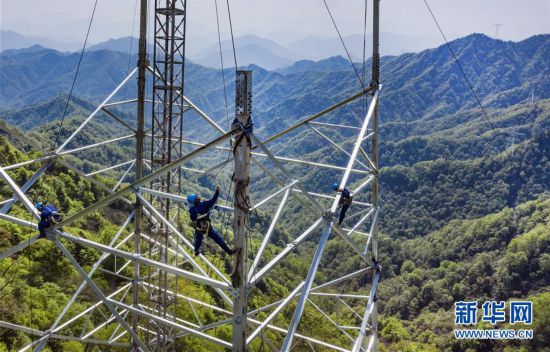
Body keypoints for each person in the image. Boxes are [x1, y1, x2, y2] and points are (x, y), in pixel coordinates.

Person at [187, 185, 236, 256]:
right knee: (217, 238)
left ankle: (196, 250)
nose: (198, 197)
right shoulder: (204, 204)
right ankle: (228, 251)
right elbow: (213, 200)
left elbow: (192, 218)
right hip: (207, 228)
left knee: (198, 239)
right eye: (197, 197)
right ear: (195, 199)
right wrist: (217, 191)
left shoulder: (191, 209)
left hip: (198, 228)